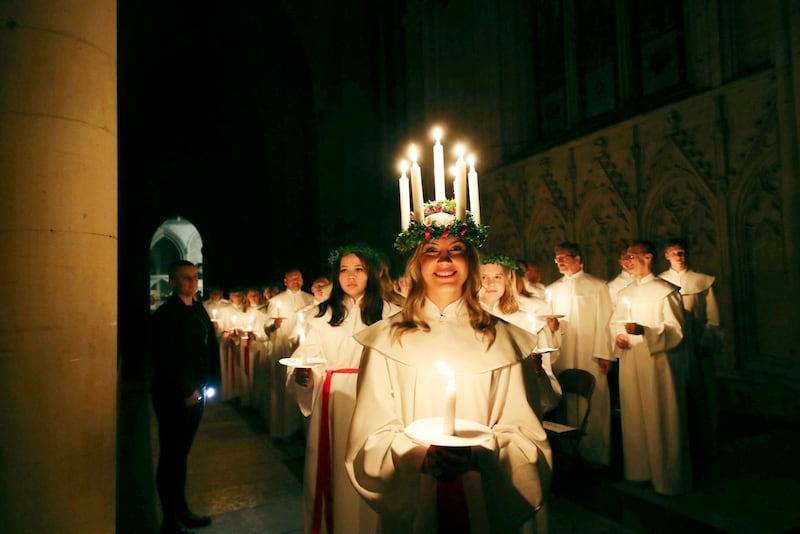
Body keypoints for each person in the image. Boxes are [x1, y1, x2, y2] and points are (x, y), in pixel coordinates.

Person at [346, 202, 553, 533]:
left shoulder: (504, 339)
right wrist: (417, 456)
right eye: (432, 250)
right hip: (417, 497)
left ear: (470, 262)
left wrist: (480, 455)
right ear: (417, 263)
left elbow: (524, 432)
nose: (444, 260)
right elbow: (371, 431)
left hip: (482, 493)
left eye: (456, 249)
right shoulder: (387, 340)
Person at [289, 244, 400, 534]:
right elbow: (308, 356)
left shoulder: (392, 314)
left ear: (372, 274)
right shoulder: (322, 315)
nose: (350, 276)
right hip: (335, 400)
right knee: (336, 471)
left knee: (374, 467)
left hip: (378, 400)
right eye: (343, 270)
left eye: (358, 269)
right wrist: (305, 375)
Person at [611, 240, 691, 495]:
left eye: (633, 255)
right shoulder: (625, 293)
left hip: (657, 363)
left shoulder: (665, 291)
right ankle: (639, 470)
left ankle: (668, 478)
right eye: (627, 255)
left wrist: (646, 330)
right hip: (632, 361)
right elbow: (615, 323)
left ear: (648, 258)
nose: (629, 260)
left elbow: (676, 329)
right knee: (634, 414)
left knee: (661, 415)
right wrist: (619, 337)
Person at [151, 260, 220, 534]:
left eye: (194, 277)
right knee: (171, 455)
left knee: (181, 455)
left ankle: (181, 509)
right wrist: (185, 391)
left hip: (197, 392)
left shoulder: (198, 307)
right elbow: (165, 358)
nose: (192, 282)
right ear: (172, 282)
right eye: (185, 278)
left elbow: (208, 348)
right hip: (174, 396)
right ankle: (169, 519)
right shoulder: (166, 314)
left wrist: (211, 383)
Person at [545, 242, 614, 468]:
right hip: (564, 350)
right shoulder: (553, 290)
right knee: (567, 398)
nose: (560, 262)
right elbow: (550, 324)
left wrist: (604, 353)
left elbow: (605, 321)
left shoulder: (597, 286)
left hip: (589, 351)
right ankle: (569, 453)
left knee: (595, 398)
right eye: (557, 258)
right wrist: (552, 327)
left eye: (564, 257)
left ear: (577, 259)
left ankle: (596, 453)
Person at [479, 254, 562, 419]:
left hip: (515, 406)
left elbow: (546, 378)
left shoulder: (526, 322)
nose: (490, 284)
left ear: (508, 279)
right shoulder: (463, 319)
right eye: (483, 277)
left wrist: (537, 371)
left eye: (497, 277)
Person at [659, 238, 720, 459]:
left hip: (696, 346)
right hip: (672, 349)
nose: (678, 257)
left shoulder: (701, 281)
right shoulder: (660, 283)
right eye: (673, 253)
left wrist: (705, 342)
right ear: (666, 256)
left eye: (681, 253)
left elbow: (713, 319)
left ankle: (706, 444)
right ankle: (678, 446)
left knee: (702, 395)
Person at [265, 268, 315, 439]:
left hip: (303, 350)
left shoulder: (310, 299)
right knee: (283, 388)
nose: (296, 280)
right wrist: (273, 326)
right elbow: (266, 326)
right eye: (292, 278)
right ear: (285, 281)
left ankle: (303, 428)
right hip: (283, 349)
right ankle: (284, 429)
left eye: (299, 278)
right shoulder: (276, 301)